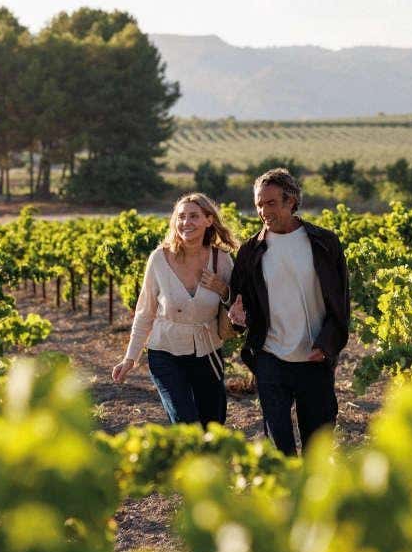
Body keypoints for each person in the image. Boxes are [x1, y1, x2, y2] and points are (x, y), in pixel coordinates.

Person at [228, 168, 350, 455]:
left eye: (270, 203)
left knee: (317, 448)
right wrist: (237, 317)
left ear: (291, 201)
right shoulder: (250, 250)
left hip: (314, 357)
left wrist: (327, 345)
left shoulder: (324, 243)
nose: (263, 211)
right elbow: (238, 302)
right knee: (279, 448)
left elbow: (341, 303)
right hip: (270, 357)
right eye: (259, 204)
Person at [112, 193, 238, 426]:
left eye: (194, 216)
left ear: (209, 220)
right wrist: (130, 358)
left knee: (213, 424)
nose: (186, 222)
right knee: (186, 423)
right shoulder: (159, 259)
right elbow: (145, 312)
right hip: (165, 353)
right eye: (181, 216)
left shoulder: (221, 260)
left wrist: (223, 289)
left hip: (208, 352)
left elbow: (239, 305)